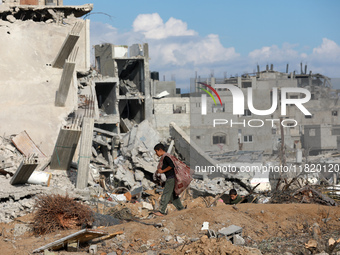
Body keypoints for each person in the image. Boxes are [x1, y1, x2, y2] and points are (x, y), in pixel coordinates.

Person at [153, 143, 184, 216]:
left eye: (156, 151)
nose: (156, 153)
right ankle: (181, 209)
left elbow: (171, 166)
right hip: (171, 178)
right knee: (172, 196)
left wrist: (162, 171)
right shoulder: (166, 156)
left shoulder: (166, 157)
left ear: (160, 150)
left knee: (166, 194)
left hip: (171, 178)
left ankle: (161, 211)